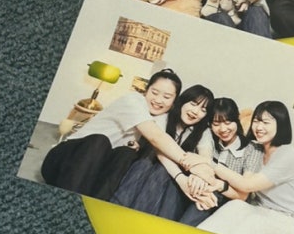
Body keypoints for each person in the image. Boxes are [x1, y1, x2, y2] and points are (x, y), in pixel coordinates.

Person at [41, 69, 215, 201]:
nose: (158, 100)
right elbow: (156, 138)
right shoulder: (133, 101)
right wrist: (192, 165)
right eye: (154, 93)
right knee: (100, 141)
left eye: (167, 97)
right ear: (146, 90)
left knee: (126, 154)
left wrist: (193, 172)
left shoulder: (162, 118)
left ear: (174, 100)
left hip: (93, 174)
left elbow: (161, 149)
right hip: (64, 161)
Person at [196, 100, 294, 234]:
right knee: (236, 206)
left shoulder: (288, 154)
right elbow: (242, 189)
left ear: (280, 125)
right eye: (256, 121)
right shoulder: (257, 150)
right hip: (263, 213)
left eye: (266, 122)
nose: (259, 127)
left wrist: (208, 162)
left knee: (255, 224)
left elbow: (247, 185)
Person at [111, 83, 214, 217]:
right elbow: (159, 150)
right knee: (153, 166)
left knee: (167, 176)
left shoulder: (203, 131)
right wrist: (182, 177)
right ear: (182, 101)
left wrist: (200, 177)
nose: (195, 111)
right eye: (193, 104)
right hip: (148, 168)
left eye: (203, 110)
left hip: (174, 182)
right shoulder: (163, 118)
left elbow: (206, 158)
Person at [180, 96, 249, 228]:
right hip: (199, 191)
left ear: (237, 119)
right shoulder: (207, 139)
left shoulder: (250, 149)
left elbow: (244, 194)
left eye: (228, 122)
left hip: (227, 201)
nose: (222, 129)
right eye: (216, 124)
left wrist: (215, 184)